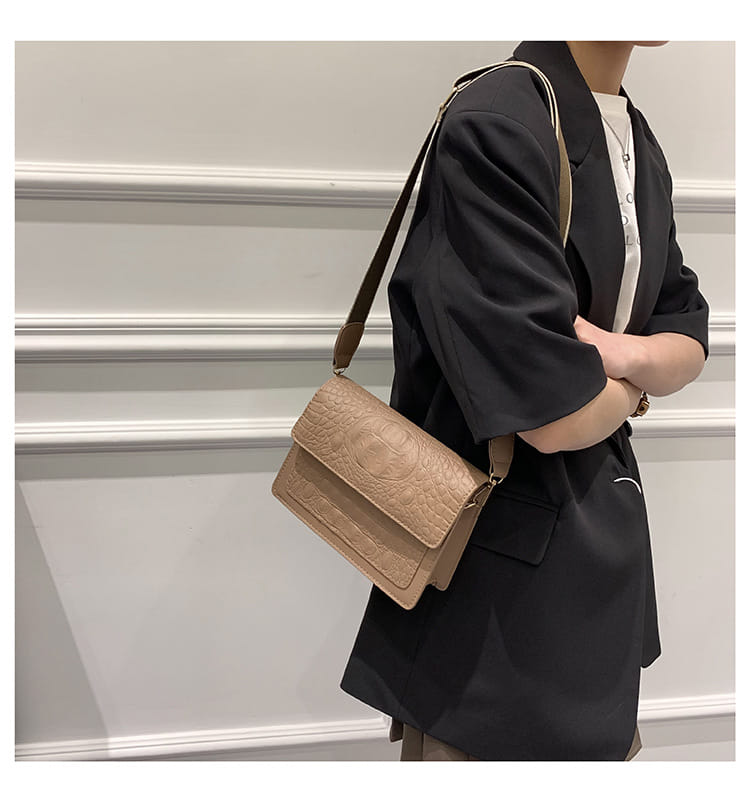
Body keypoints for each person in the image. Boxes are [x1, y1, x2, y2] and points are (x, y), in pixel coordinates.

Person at [338, 40, 709, 761]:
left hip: (595, 561)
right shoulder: (498, 120)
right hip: (495, 603)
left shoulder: (633, 135)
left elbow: (689, 335)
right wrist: (642, 378)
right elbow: (551, 414)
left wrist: (620, 360)